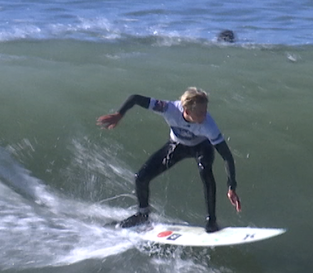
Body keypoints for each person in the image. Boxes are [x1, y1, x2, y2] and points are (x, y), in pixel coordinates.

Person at [97, 87, 241, 233]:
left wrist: (231, 187)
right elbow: (135, 98)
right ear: (186, 110)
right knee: (141, 177)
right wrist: (119, 114)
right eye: (200, 113)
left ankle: (212, 221)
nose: (205, 116)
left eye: (205, 111)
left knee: (206, 172)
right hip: (176, 145)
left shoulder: (209, 126)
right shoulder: (168, 108)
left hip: (201, 147)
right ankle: (142, 215)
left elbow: (227, 156)